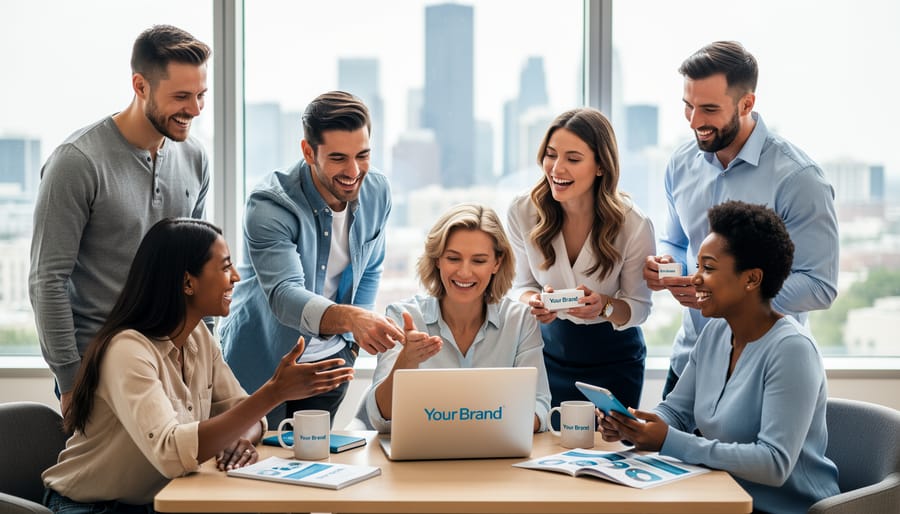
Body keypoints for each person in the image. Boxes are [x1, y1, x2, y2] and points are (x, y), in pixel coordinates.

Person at [42, 218, 354, 512]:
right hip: (93, 506)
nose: (236, 278)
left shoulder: (198, 338)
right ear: (188, 283)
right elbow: (170, 452)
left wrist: (242, 437)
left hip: (163, 501)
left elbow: (245, 411)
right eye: (225, 267)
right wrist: (274, 393)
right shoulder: (127, 350)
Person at [599, 201, 839, 514]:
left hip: (785, 509)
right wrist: (637, 427)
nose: (695, 278)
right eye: (697, 266)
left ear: (751, 279)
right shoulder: (713, 334)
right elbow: (677, 411)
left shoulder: (792, 350)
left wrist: (668, 441)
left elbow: (774, 464)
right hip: (721, 496)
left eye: (708, 268)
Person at [29, 25, 212, 417]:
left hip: (173, 366)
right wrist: (70, 379)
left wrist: (205, 359)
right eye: (181, 96)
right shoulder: (77, 162)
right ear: (140, 86)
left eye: (200, 96)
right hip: (101, 371)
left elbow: (198, 268)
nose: (195, 109)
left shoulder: (196, 159)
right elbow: (48, 280)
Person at [646, 41, 839, 399]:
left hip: (762, 371)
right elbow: (675, 239)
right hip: (690, 361)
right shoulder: (680, 163)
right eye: (687, 107)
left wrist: (730, 294)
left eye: (708, 109)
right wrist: (666, 264)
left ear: (747, 104)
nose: (694, 121)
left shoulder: (799, 178)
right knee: (661, 455)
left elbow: (820, 285)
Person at [220, 91, 401, 425]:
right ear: (308, 151)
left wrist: (350, 345)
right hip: (263, 368)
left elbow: (370, 267)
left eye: (362, 155)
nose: (353, 170)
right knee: (253, 468)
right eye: (338, 158)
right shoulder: (270, 205)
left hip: (329, 368)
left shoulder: (377, 191)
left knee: (312, 468)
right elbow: (285, 296)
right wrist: (354, 320)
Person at [507, 107, 655, 414]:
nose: (556, 168)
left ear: (600, 165)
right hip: (548, 352)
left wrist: (603, 305)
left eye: (573, 159)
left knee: (606, 452)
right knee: (545, 450)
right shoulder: (523, 210)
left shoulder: (633, 223)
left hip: (614, 359)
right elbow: (520, 285)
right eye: (550, 155)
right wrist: (532, 301)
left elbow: (639, 306)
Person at [365, 203, 551, 433]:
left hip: (496, 458)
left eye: (479, 261)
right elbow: (380, 418)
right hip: (423, 460)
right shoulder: (403, 317)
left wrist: (474, 429)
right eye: (453, 258)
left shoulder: (520, 320)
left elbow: (540, 406)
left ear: (497, 263)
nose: (464, 272)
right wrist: (407, 361)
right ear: (437, 260)